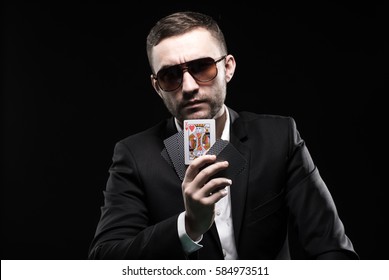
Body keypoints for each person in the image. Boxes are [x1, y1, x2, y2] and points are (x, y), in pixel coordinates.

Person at [88, 11, 358, 260]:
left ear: (228, 68)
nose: (190, 87)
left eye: (202, 67)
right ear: (157, 86)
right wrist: (189, 226)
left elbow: (333, 250)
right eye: (171, 76)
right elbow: (104, 260)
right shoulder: (135, 155)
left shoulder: (278, 138)